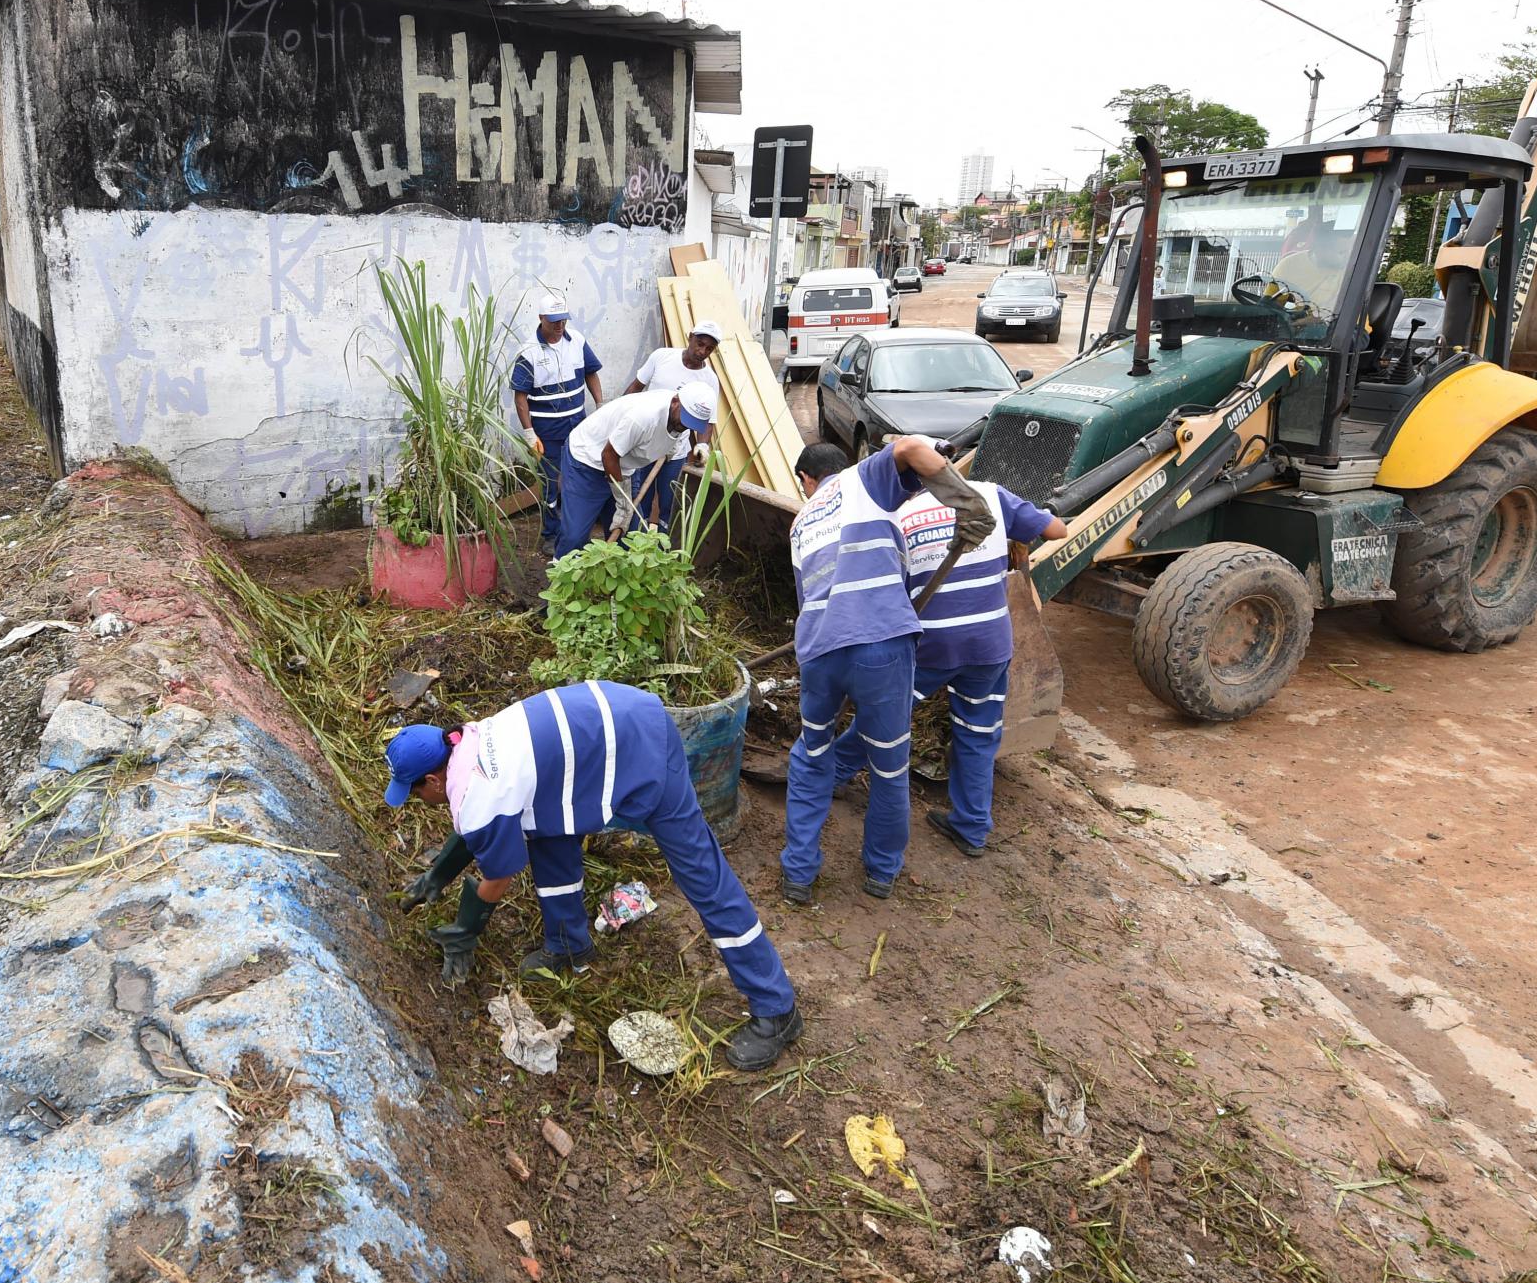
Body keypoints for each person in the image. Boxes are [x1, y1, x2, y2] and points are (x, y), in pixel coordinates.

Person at [385, 681, 804, 1070]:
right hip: (608, 720)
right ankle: (568, 945)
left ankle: (776, 1006)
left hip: (640, 744)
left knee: (701, 874)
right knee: (548, 832)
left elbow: (499, 871)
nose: (419, 801)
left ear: (433, 779)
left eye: (416, 792)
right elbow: (482, 824)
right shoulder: (469, 742)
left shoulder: (480, 790)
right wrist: (438, 876)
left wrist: (465, 930)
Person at [782, 436, 993, 903]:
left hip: (818, 650)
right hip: (880, 645)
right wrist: (968, 503)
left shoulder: (800, 523)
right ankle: (880, 872)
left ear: (806, 481)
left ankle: (797, 874)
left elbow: (807, 598)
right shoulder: (863, 479)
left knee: (811, 755)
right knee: (888, 764)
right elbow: (914, 446)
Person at [832, 477, 1066, 858]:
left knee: (885, 715)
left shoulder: (897, 516)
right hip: (990, 644)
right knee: (977, 733)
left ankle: (830, 774)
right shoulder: (990, 495)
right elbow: (1058, 530)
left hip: (931, 645)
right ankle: (972, 828)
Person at [555, 389, 710, 556]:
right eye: (685, 420)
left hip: (625, 466)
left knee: (631, 537)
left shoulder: (681, 417)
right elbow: (608, 455)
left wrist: (673, 446)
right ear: (675, 403)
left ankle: (614, 578)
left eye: (692, 423)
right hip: (588, 460)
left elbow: (677, 434)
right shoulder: (643, 417)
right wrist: (622, 501)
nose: (686, 426)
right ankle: (560, 577)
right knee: (574, 537)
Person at [511, 296, 603, 556]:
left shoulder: (577, 342)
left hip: (578, 426)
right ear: (541, 319)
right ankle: (551, 534)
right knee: (550, 484)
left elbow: (591, 372)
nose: (560, 325)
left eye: (563, 319)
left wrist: (600, 405)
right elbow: (520, 397)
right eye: (554, 321)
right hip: (547, 433)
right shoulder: (528, 353)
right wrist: (530, 433)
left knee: (579, 479)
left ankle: (575, 534)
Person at [620, 322, 722, 527]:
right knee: (641, 499)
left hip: (675, 451)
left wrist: (702, 445)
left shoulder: (709, 380)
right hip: (645, 446)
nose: (702, 351)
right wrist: (620, 417)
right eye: (699, 343)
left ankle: (663, 548)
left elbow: (708, 421)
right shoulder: (661, 357)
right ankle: (638, 544)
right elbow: (635, 387)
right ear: (690, 336)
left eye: (709, 349)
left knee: (670, 503)